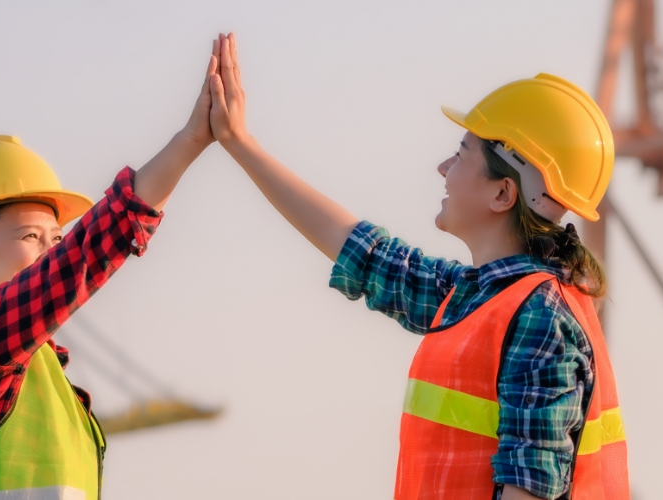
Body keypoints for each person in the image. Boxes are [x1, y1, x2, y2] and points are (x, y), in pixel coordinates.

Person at [205, 35, 629, 500]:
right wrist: (239, 142)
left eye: (462, 154)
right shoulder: (476, 298)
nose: (443, 167)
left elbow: (528, 490)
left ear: (503, 193)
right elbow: (364, 252)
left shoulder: (539, 318)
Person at [0, 37, 223, 500]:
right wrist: (189, 142)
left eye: (55, 239)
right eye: (30, 237)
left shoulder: (38, 372)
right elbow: (76, 263)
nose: (51, 253)